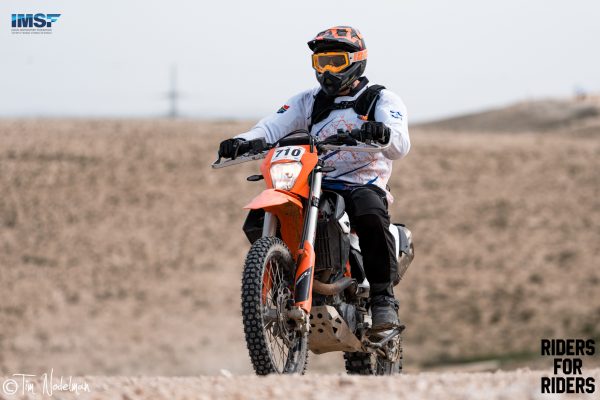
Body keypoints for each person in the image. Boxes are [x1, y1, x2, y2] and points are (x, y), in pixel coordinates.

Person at [218, 26, 410, 331]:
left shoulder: (380, 99)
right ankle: (283, 283)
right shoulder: (309, 101)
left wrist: (382, 132)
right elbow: (271, 126)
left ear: (356, 61)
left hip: (360, 181)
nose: (327, 71)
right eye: (321, 62)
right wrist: (242, 141)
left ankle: (383, 300)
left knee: (370, 212)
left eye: (335, 61)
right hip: (313, 179)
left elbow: (399, 143)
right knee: (258, 218)